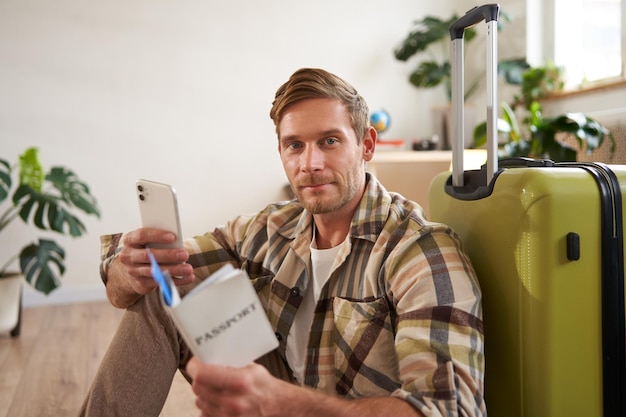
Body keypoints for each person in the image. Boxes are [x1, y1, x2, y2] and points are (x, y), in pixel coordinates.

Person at [80, 68, 486, 416]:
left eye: (329, 141)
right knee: (162, 288)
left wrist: (283, 402)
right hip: (277, 396)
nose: (310, 163)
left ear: (366, 145)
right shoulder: (268, 228)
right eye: (295, 145)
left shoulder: (422, 252)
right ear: (281, 152)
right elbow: (130, 286)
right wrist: (127, 271)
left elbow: (449, 410)